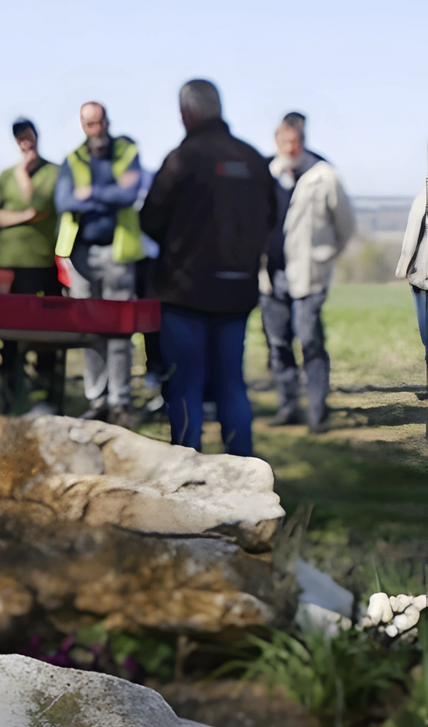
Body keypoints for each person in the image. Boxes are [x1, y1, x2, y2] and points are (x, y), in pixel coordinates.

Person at [140, 79, 275, 456]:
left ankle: (188, 475)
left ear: (187, 113)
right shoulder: (253, 159)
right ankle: (246, 477)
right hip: (237, 291)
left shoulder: (184, 158)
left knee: (185, 386)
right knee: (233, 385)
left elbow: (150, 218)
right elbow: (271, 217)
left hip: (185, 293)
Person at [259, 113, 354, 432]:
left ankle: (317, 410)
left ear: (303, 140)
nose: (290, 146)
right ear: (276, 142)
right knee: (278, 344)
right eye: (284, 142)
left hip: (309, 275)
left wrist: (324, 259)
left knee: (310, 338)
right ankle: (288, 407)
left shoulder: (324, 175)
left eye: (295, 141)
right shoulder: (263, 174)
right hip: (271, 276)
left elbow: (345, 225)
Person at [54, 102, 143, 422]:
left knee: (119, 329)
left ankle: (120, 399)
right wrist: (108, 192)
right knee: (89, 330)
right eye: (89, 124)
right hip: (81, 253)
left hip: (116, 251)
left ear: (107, 122)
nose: (96, 129)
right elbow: (63, 200)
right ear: (82, 126)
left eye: (99, 122)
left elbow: (128, 193)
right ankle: (98, 398)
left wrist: (89, 192)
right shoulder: (74, 159)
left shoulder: (126, 151)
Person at [0, 118, 60, 403]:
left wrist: (24, 176)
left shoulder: (53, 172)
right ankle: (13, 384)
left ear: (36, 136)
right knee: (9, 326)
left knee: (43, 326)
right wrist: (21, 216)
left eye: (28, 136)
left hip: (39, 263)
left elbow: (39, 205)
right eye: (19, 138)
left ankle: (45, 383)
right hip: (7, 263)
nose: (25, 142)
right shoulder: (5, 176)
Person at [397, 180, 428, 359]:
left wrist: (402, 268)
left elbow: (410, 240)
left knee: (426, 335)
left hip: (423, 274)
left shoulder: (423, 198)